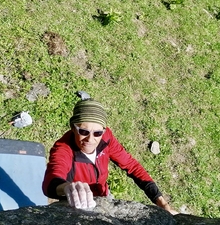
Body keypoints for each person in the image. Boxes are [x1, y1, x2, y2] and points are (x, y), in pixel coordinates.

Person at [42, 92, 178, 215]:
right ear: (73, 127)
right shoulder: (64, 149)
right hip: (77, 205)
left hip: (104, 196)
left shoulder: (106, 138)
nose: (90, 139)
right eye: (83, 131)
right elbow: (51, 182)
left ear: (103, 130)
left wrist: (162, 202)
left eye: (97, 133)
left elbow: (131, 166)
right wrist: (67, 188)